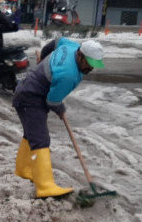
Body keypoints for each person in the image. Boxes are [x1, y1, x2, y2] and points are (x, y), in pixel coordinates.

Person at [12, 38, 105, 198]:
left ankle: (23, 169)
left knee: (31, 134)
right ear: (80, 55)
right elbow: (52, 101)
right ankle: (45, 187)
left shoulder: (71, 46)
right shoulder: (68, 74)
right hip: (30, 97)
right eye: (88, 63)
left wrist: (43, 57)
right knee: (41, 139)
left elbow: (55, 42)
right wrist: (60, 109)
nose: (90, 68)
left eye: (93, 65)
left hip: (28, 89)